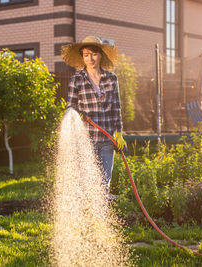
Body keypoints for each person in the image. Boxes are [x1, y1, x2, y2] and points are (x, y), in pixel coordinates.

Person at [61, 36, 127, 199]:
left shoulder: (111, 78)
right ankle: (87, 217)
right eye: (86, 54)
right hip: (86, 139)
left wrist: (118, 133)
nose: (90, 58)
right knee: (86, 182)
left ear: (101, 55)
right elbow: (71, 107)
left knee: (104, 184)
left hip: (106, 139)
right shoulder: (77, 79)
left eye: (94, 54)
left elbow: (116, 108)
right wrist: (78, 114)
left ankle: (101, 220)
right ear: (82, 57)